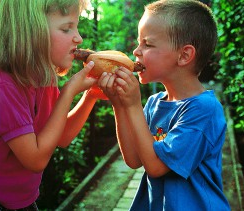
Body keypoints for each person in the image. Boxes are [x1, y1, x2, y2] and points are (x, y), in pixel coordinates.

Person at [0, 0, 101, 210]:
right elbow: (35, 159)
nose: (78, 38)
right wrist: (69, 91)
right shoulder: (1, 84)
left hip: (18, 200)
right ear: (30, 31)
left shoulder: (41, 76)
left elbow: (60, 136)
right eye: (66, 28)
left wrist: (90, 96)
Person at [98, 0, 230, 210]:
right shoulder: (154, 103)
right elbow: (133, 159)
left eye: (147, 44)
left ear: (184, 55)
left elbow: (156, 167)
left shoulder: (204, 110)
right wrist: (120, 105)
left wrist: (132, 105)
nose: (136, 51)